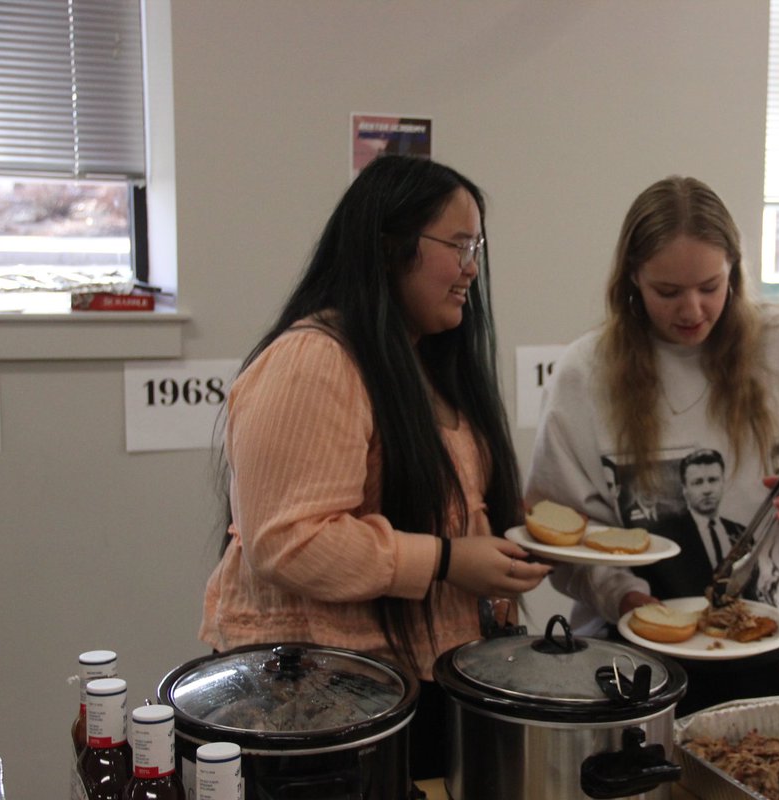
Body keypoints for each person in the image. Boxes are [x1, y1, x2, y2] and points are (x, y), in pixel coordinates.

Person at [199, 155, 551, 780]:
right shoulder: (316, 358)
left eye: (478, 246)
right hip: (323, 704)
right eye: (459, 244)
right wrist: (446, 559)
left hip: (416, 682)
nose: (473, 267)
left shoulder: (424, 361)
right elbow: (288, 542)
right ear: (391, 246)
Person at [525, 175, 779, 715]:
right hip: (638, 660)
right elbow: (565, 539)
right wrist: (622, 595)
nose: (692, 310)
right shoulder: (586, 373)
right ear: (632, 279)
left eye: (711, 286)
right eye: (667, 292)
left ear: (734, 270)